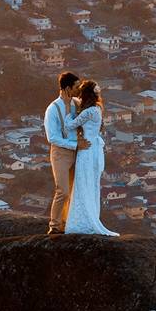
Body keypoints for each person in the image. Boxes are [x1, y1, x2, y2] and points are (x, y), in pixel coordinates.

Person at [61, 79, 118, 236]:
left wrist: (67, 111)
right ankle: (89, 216)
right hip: (94, 149)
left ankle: (82, 220)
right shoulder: (97, 109)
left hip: (86, 151)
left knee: (82, 183)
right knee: (90, 184)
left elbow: (69, 125)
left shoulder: (88, 111)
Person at [43, 71, 89, 234]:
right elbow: (52, 137)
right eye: (76, 87)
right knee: (62, 190)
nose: (79, 89)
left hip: (78, 151)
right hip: (61, 153)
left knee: (75, 190)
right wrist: (75, 145)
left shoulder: (77, 104)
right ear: (67, 88)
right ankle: (54, 226)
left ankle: (69, 223)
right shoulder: (53, 109)